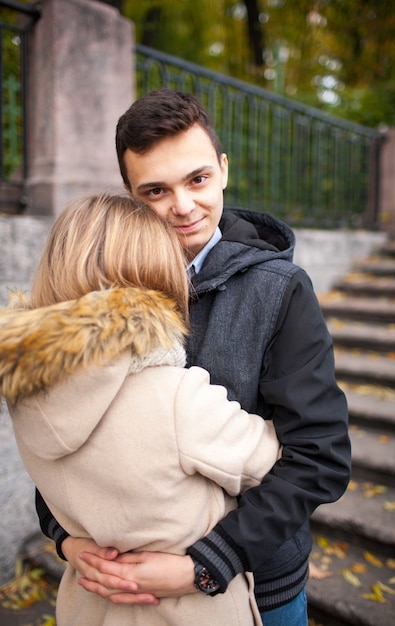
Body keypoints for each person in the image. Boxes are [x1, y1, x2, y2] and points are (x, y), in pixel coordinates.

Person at [35, 89, 351, 626]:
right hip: (114, 588)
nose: (183, 206)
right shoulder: (99, 284)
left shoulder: (281, 290)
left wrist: (206, 563)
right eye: (156, 190)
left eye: (197, 179)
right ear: (129, 194)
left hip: (257, 584)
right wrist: (66, 538)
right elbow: (63, 426)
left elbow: (320, 457)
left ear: (223, 169)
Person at [0, 193, 281, 626]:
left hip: (88, 605)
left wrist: (66, 542)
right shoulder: (176, 397)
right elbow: (274, 460)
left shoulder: (25, 396)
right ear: (157, 271)